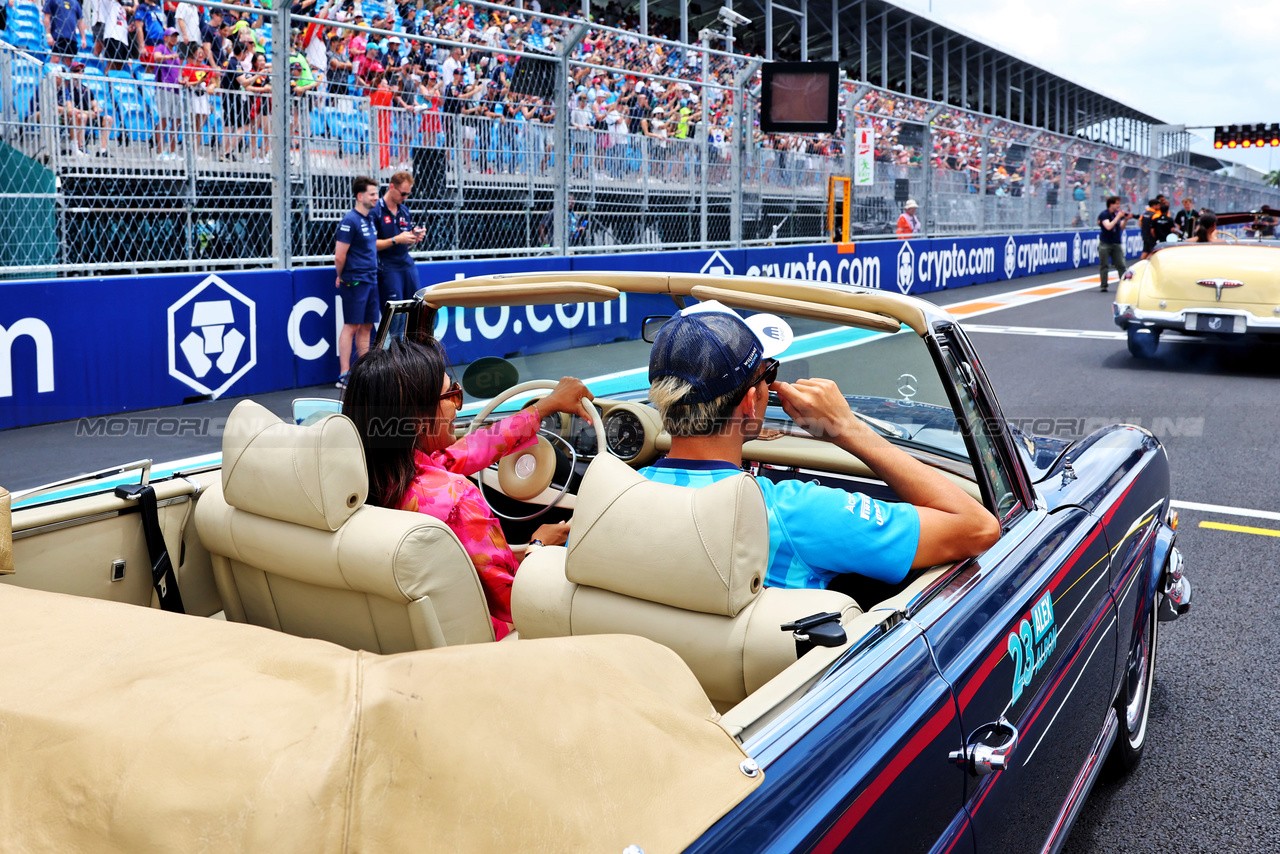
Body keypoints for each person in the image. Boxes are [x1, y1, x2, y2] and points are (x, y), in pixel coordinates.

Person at [639, 304, 1000, 593]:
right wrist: (848, 429)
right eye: (769, 374)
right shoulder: (797, 511)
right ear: (751, 402)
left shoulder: (618, 497)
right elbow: (978, 527)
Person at [341, 337, 593, 639]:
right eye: (452, 395)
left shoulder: (366, 480)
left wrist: (542, 408)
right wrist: (537, 547)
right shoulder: (457, 500)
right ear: (419, 418)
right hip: (495, 645)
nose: (459, 408)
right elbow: (516, 601)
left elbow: (462, 453)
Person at [334, 176, 381, 388]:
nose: (376, 198)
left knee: (368, 326)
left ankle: (364, 372)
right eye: (372, 194)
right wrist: (341, 276)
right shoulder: (349, 220)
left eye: (376, 193)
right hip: (354, 280)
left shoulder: (370, 219)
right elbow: (339, 255)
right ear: (360, 196)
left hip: (371, 278)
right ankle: (344, 374)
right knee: (351, 325)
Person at [372, 171, 424, 319]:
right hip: (388, 266)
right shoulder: (376, 211)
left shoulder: (404, 210)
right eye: (403, 194)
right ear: (392, 187)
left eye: (408, 194)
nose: (405, 198)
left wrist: (413, 237)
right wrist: (396, 239)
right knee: (395, 318)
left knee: (417, 309)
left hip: (406, 264)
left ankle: (412, 343)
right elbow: (371, 245)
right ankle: (393, 343)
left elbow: (406, 243)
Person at [151, 28, 184, 160]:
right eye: (172, 36)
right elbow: (156, 57)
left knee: (177, 120)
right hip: (164, 87)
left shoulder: (175, 53)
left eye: (176, 36)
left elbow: (177, 72)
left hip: (175, 89)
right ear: (165, 38)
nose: (174, 38)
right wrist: (169, 57)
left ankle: (172, 152)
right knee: (164, 118)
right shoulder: (161, 48)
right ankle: (160, 152)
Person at [1097, 195, 1130, 293]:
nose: (1119, 205)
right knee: (1104, 265)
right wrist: (1118, 217)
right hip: (1105, 243)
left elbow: (1121, 227)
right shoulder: (1104, 214)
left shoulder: (1116, 214)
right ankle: (1104, 285)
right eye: (1117, 203)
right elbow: (1108, 226)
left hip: (1116, 242)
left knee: (1121, 265)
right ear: (1111, 204)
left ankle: (1125, 285)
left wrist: (1126, 219)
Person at [43, 0, 86, 65]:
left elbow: (80, 21)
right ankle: (52, 74)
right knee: (55, 61)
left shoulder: (76, 3)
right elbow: (47, 17)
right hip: (57, 36)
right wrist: (48, 35)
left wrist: (83, 38)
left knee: (68, 63)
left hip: (71, 38)